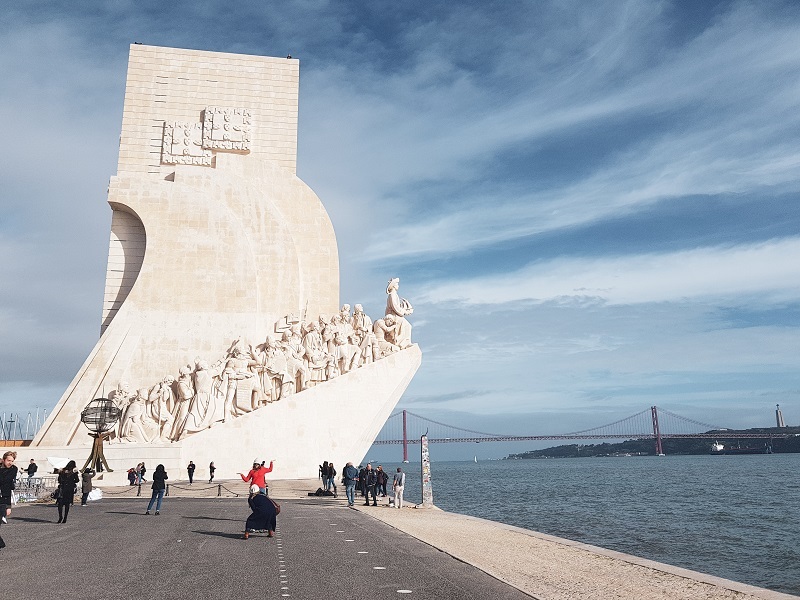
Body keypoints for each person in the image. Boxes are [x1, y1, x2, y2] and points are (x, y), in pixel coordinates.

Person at [0, 451, 18, 550]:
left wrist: (8, 506)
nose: (10, 463)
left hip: (3, 500)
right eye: (8, 460)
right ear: (3, 460)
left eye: (12, 461)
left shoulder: (13, 469)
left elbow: (5, 481)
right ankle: (1, 543)